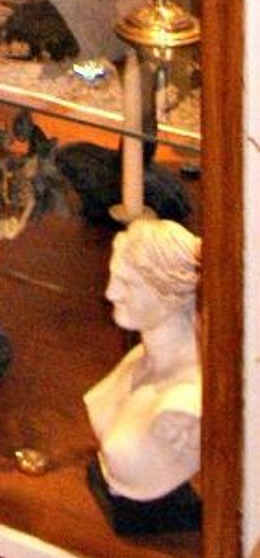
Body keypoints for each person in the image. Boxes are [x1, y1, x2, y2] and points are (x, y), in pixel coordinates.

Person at [84, 215, 201, 532]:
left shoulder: (185, 407)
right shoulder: (136, 361)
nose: (111, 293)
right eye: (113, 278)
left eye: (127, 283)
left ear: (170, 292)